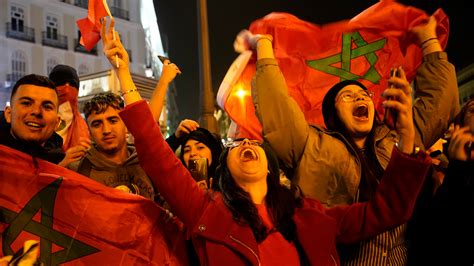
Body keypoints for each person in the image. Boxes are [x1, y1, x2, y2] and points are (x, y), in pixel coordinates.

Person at [100, 17, 432, 265]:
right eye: (236, 146)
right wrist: (123, 73)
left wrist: (407, 136)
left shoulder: (311, 216)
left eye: (255, 144)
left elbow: (387, 210)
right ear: (224, 172)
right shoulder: (205, 210)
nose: (247, 145)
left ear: (271, 170)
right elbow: (156, 155)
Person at [235, 15, 459, 264]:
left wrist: (428, 39)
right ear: (332, 115)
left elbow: (440, 106)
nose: (360, 99)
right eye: (348, 97)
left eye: (364, 95)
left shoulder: (398, 139)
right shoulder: (310, 145)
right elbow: (276, 108)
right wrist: (264, 46)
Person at [408, 99, 474, 265]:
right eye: (473, 109)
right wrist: (458, 168)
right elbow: (435, 233)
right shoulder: (439, 170)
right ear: (460, 125)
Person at [67, 92, 157, 201]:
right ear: (89, 132)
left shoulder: (148, 162)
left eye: (113, 121)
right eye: (97, 124)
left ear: (126, 124)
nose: (106, 130)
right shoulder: (77, 170)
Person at [0, 74, 64, 164]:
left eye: (47, 106)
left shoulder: (66, 167)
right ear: (9, 114)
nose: (37, 111)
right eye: (26, 103)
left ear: (57, 122)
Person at [166, 119, 223, 189]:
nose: (192, 153)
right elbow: (158, 159)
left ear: (213, 152)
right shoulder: (177, 186)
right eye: (187, 150)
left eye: (200, 147)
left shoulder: (227, 184)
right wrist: (175, 138)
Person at [48, 64, 91, 152]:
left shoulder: (86, 127)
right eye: (61, 82)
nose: (67, 88)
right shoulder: (41, 121)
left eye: (72, 84)